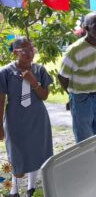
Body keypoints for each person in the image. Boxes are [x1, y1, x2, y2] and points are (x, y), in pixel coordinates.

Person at [0, 37, 53, 197]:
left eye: (32, 49)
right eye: (25, 50)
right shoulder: (6, 72)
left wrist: (33, 82)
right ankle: (13, 189)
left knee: (37, 150)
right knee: (16, 153)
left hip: (37, 118)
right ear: (15, 52)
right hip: (15, 119)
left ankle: (31, 187)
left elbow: (44, 96)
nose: (30, 53)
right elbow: (1, 100)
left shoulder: (39, 70)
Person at [58, 12, 96, 143]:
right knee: (84, 140)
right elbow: (62, 76)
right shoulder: (75, 50)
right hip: (82, 99)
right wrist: (72, 95)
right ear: (86, 28)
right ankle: (87, 163)